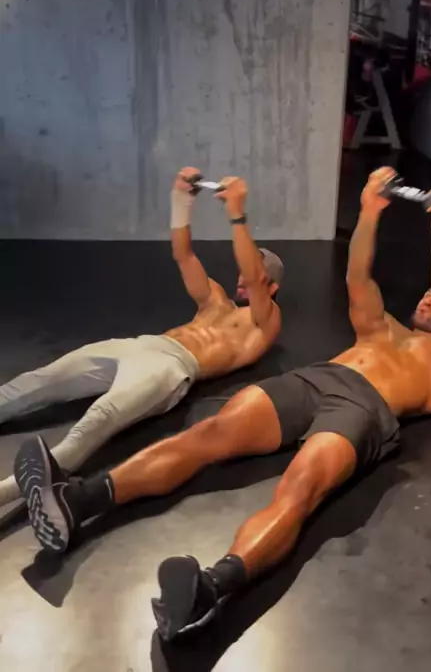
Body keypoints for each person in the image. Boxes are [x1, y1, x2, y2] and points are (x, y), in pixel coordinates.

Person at [15, 168, 431, 643]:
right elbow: (357, 275)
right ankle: (77, 502)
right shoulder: (382, 328)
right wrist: (368, 211)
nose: (429, 298)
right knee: (205, 436)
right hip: (314, 379)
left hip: (363, 408)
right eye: (427, 292)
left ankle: (209, 589)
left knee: (299, 491)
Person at [0, 169, 283, 507]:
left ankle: (6, 492)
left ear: (272, 287)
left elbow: (254, 276)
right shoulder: (216, 299)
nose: (243, 279)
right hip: (142, 345)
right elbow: (184, 255)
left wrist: (237, 214)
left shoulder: (266, 322)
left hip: (172, 367)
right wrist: (181, 200)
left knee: (98, 419)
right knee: (42, 380)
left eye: (255, 275)